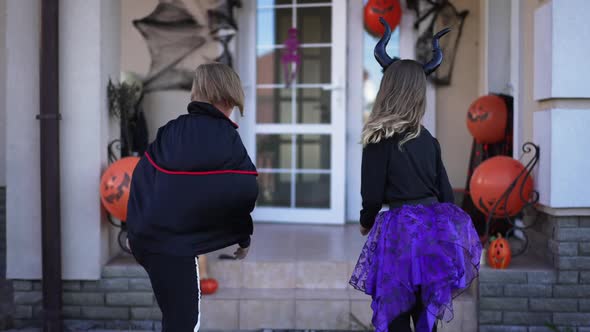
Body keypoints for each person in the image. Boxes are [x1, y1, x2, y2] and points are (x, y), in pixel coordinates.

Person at [349, 18, 482, 332]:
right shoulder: (429, 140)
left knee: (395, 311)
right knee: (426, 316)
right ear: (418, 95)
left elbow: (371, 195)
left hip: (399, 235)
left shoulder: (378, 140)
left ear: (387, 91)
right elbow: (446, 194)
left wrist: (367, 221)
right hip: (433, 234)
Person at [126, 63, 258, 331]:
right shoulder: (226, 137)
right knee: (186, 322)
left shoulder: (172, 130)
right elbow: (243, 189)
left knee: (174, 315)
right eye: (233, 103)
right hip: (176, 246)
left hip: (145, 239)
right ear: (227, 97)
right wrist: (242, 237)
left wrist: (135, 228)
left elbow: (144, 177)